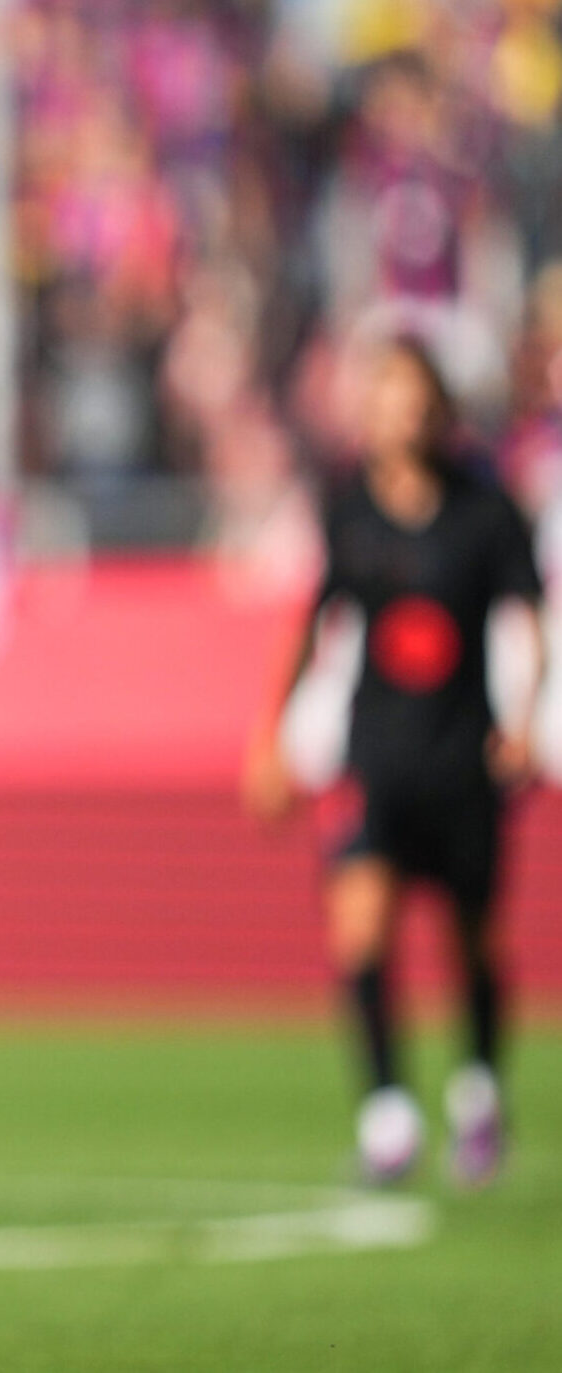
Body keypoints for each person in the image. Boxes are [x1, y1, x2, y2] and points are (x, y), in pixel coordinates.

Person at [245, 337, 545, 1188]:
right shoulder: (350, 510)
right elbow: (311, 622)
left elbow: (527, 620)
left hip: (463, 758)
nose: (396, 413)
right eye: (382, 397)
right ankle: (387, 1112)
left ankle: (480, 1092)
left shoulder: (484, 513)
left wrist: (524, 722)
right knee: (359, 927)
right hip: (378, 756)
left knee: (474, 944)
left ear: (437, 408)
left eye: (411, 396)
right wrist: (267, 734)